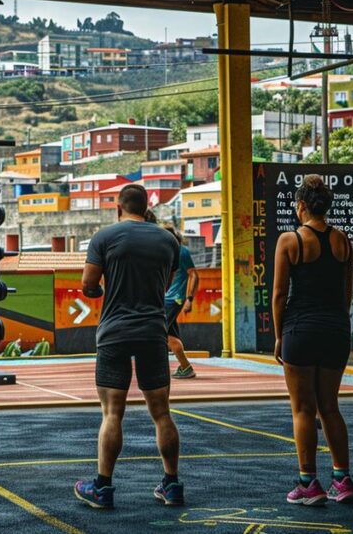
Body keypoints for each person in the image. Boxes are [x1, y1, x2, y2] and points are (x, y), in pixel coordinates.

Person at [75, 183, 184, 509]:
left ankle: (103, 487)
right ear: (146, 206)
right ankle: (172, 484)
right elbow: (164, 282)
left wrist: (101, 292)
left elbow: (88, 285)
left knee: (112, 413)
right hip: (153, 330)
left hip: (115, 333)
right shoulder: (168, 240)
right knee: (162, 413)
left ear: (119, 207)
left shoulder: (104, 237)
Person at [271, 175, 353, 506]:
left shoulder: (290, 240)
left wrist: (279, 336)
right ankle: (343, 479)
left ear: (302, 206)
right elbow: (347, 292)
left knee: (303, 409)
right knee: (330, 406)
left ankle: (308, 483)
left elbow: (279, 295)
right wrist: (339, 323)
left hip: (300, 329)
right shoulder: (343, 240)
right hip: (336, 329)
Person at [163, 225, 198, 379]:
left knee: (159, 332)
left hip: (174, 299)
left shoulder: (181, 252)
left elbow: (194, 275)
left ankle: (184, 367)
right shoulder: (167, 252)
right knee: (170, 335)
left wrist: (189, 299)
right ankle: (185, 367)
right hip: (167, 299)